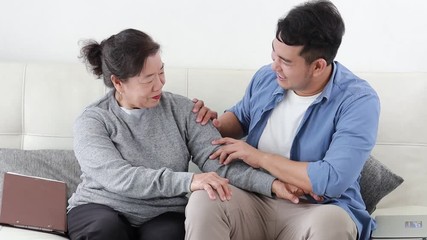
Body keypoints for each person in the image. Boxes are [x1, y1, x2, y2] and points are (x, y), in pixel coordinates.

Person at [66, 28, 295, 240]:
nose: (159, 85)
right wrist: (191, 180)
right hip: (100, 207)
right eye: (148, 79)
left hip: (162, 211)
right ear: (118, 82)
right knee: (106, 229)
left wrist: (272, 184)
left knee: (168, 234)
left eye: (162, 72)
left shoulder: (183, 110)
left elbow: (218, 162)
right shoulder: (93, 120)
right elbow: (119, 177)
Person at [186, 1, 380, 240]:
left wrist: (260, 158)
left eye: (286, 62)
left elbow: (331, 180)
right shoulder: (267, 78)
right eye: (274, 53)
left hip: (316, 208)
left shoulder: (358, 101)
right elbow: (240, 117)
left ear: (318, 66)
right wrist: (206, 122)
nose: (274, 65)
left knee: (333, 224)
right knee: (206, 199)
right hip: (255, 198)